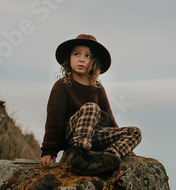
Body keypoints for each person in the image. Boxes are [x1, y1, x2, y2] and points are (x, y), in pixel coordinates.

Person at [39, 34, 142, 175]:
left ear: (94, 62)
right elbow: (54, 118)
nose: (81, 59)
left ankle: (109, 156)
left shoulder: (97, 88)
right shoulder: (62, 86)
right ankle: (77, 156)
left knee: (135, 132)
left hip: (96, 136)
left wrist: (123, 144)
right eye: (77, 54)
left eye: (88, 56)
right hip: (75, 135)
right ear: (69, 58)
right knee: (91, 108)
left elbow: (109, 119)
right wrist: (49, 150)